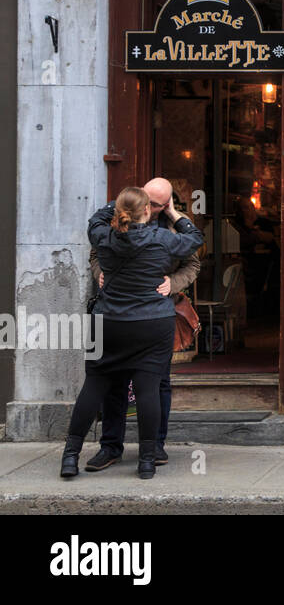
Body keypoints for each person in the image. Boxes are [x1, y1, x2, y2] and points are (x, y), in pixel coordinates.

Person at [62, 187, 203, 480]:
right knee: (148, 390)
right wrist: (176, 214)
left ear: (119, 211)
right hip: (151, 324)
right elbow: (195, 239)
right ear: (148, 211)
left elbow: (94, 221)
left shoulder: (104, 235)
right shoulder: (162, 239)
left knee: (94, 386)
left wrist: (120, 202)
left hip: (109, 323)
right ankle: (147, 461)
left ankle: (70, 456)